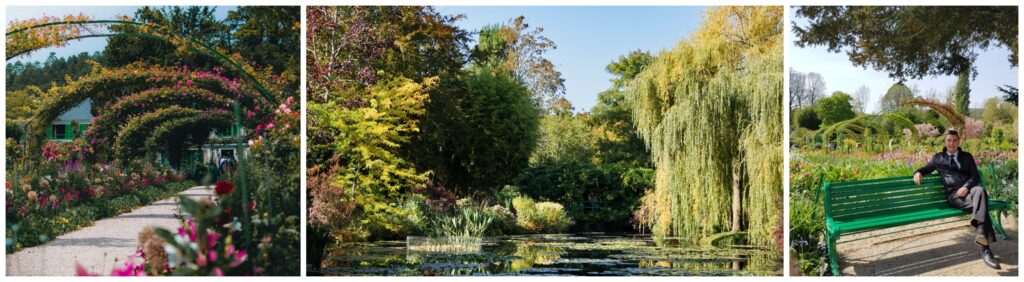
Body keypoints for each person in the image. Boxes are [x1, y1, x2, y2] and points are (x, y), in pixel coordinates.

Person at [913, 130, 999, 269]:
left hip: (970, 191)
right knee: (982, 206)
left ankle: (981, 234)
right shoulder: (938, 158)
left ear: (958, 142)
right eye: (949, 140)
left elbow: (975, 176)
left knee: (980, 191)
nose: (952, 143)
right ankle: (985, 249)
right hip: (955, 196)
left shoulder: (967, 156)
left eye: (954, 140)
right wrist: (918, 172)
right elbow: (925, 168)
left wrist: (966, 186)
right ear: (945, 142)